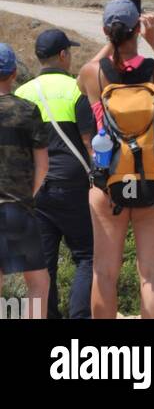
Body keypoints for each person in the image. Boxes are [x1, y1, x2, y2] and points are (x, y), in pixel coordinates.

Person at [77, 0, 154, 320]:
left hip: (107, 182)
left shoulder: (93, 74)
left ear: (106, 31)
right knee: (152, 274)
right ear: (138, 29)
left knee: (104, 272)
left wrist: (110, 41)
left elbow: (81, 81)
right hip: (153, 181)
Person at [16, 28, 95, 320]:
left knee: (43, 263)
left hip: (35, 190)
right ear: (63, 55)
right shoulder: (76, 90)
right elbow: (89, 143)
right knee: (88, 256)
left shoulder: (22, 93)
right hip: (74, 186)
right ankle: (80, 316)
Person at [0, 43, 50, 318]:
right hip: (17, 207)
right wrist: (27, 195)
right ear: (14, 72)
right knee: (38, 283)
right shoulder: (28, 111)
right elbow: (43, 166)